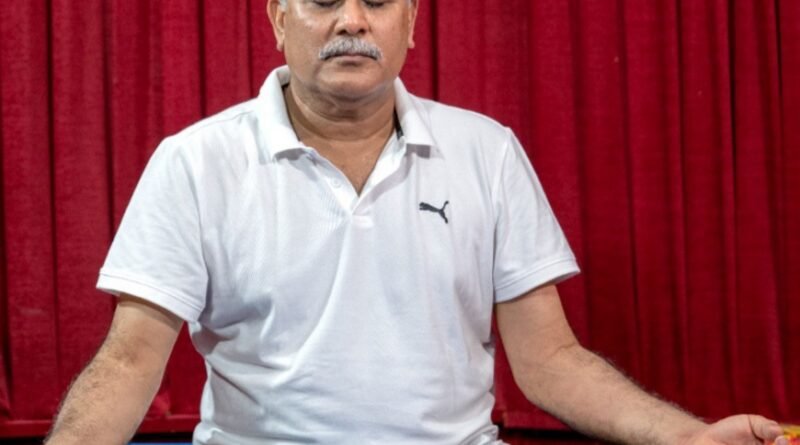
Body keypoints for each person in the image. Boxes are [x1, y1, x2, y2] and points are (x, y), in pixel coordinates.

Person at [45, 1, 789, 444]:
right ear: (277, 19)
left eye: (377, 0)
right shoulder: (194, 161)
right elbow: (129, 362)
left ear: (411, 24)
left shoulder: (487, 152)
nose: (351, 21)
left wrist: (689, 436)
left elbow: (550, 361)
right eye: (322, 1)